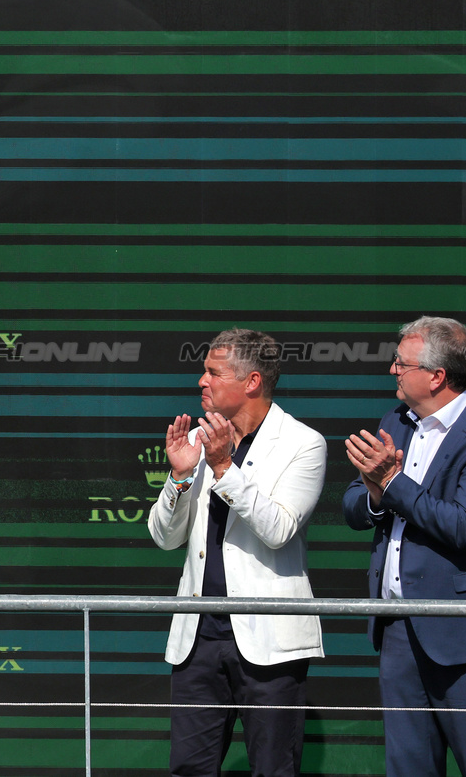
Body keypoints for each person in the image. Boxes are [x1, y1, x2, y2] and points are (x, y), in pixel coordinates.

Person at [147, 328, 326, 777]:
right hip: (198, 638)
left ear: (251, 382)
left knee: (273, 769)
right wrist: (181, 477)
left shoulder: (304, 443)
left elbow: (279, 529)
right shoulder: (198, 443)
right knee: (189, 768)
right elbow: (164, 537)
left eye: (213, 372)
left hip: (269, 640)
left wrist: (224, 466)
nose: (201, 382)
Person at [342, 316, 466, 776]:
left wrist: (391, 482)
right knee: (408, 767)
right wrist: (376, 494)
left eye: (401, 363)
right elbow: (355, 504)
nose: (393, 370)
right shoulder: (396, 420)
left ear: (437, 376)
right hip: (398, 627)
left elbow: (463, 525)